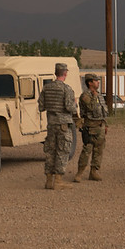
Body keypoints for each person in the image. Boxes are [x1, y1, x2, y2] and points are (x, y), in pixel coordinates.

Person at [38, 62, 77, 190]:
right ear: (65, 73)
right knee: (62, 151)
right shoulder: (67, 89)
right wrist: (75, 104)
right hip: (63, 125)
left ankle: (49, 181)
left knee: (50, 152)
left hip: (51, 124)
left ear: (56, 73)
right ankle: (58, 181)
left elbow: (41, 107)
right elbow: (69, 107)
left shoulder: (46, 88)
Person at [74, 73, 108, 182]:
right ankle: (79, 173)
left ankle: (94, 172)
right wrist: (94, 96)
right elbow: (91, 108)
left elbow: (102, 111)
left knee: (99, 150)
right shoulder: (86, 95)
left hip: (100, 126)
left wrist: (105, 124)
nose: (98, 82)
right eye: (96, 80)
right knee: (87, 149)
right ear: (90, 82)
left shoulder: (99, 95)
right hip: (89, 127)